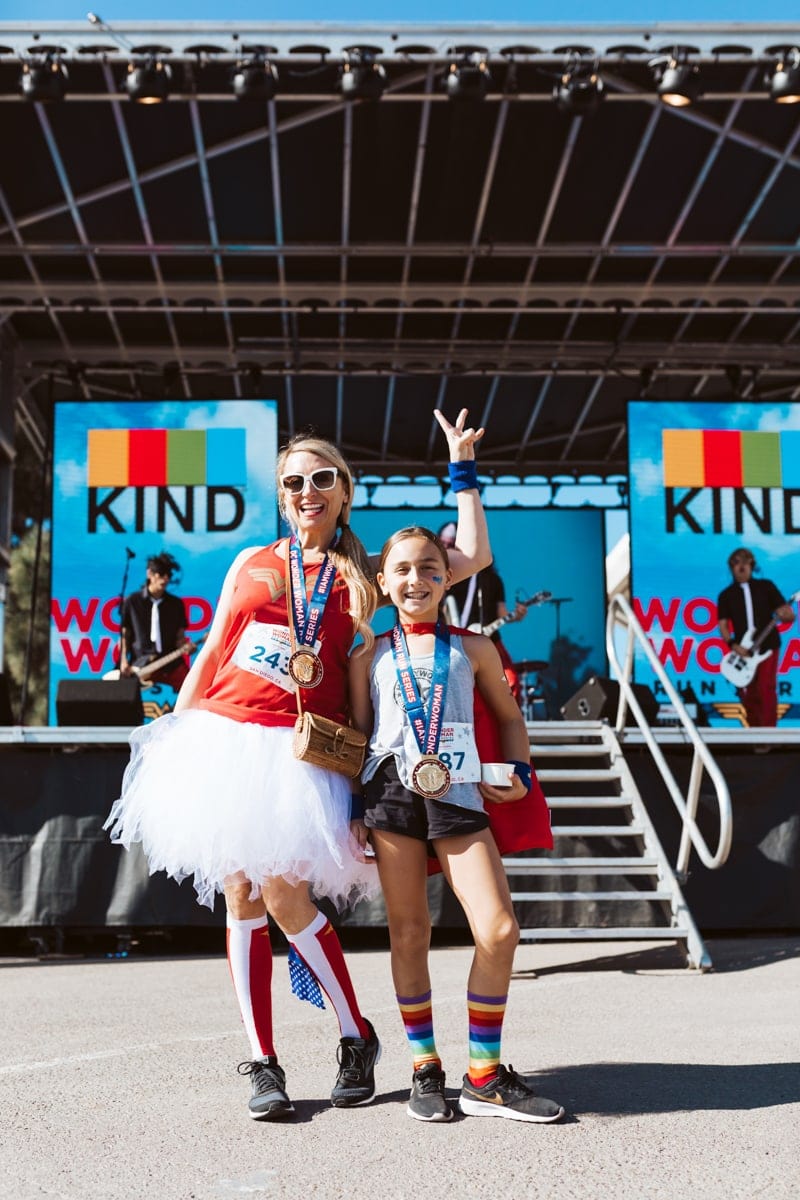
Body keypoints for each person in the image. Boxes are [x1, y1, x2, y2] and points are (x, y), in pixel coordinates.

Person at [104, 410, 491, 1122]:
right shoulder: (250, 562)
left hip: (298, 751)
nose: (306, 491)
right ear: (281, 497)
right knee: (242, 896)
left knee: (285, 898)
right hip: (225, 738)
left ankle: (355, 1033)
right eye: (292, 483)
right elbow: (216, 647)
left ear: (344, 490)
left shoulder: (367, 574)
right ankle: (264, 1061)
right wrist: (171, 737)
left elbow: (468, 557)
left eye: (320, 479)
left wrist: (461, 469)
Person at [349, 526, 565, 1125]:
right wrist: (352, 812)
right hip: (391, 792)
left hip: (459, 791)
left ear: (448, 578)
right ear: (383, 581)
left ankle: (484, 1076)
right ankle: (424, 1067)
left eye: (428, 569)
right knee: (409, 933)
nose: (414, 580)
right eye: (401, 570)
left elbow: (510, 720)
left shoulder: (475, 649)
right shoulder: (367, 650)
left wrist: (519, 770)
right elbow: (358, 736)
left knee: (498, 930)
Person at [438, 522, 527, 702]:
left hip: (488, 640)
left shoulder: (492, 579)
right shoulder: (445, 577)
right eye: (444, 545)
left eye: (451, 544)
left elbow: (502, 613)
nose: (448, 549)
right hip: (452, 641)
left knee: (510, 682)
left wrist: (517, 615)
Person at [716, 547, 794, 728]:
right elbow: (723, 624)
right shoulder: (726, 595)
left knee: (766, 688)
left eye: (745, 561)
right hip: (743, 649)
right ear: (731, 567)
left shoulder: (766, 587)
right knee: (748, 692)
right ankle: (754, 731)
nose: (741, 565)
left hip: (767, 645)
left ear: (752, 565)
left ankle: (768, 733)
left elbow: (788, 615)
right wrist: (733, 645)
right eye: (736, 562)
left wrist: (786, 614)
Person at [119, 551, 190, 690]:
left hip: (170, 661)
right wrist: (123, 660)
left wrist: (186, 647)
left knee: (191, 686)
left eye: (168, 575)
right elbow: (124, 635)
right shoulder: (132, 601)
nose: (165, 579)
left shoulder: (176, 604)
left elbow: (180, 637)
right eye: (161, 574)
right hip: (141, 662)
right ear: (150, 574)